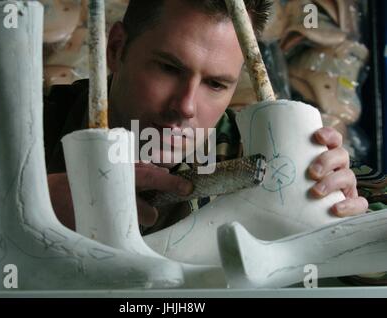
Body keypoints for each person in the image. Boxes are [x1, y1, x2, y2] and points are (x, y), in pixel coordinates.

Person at [43, 0, 368, 232]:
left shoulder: (257, 152)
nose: (185, 106)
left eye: (215, 83)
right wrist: (28, 207)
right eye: (169, 68)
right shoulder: (25, 133)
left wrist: (343, 216)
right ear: (116, 49)